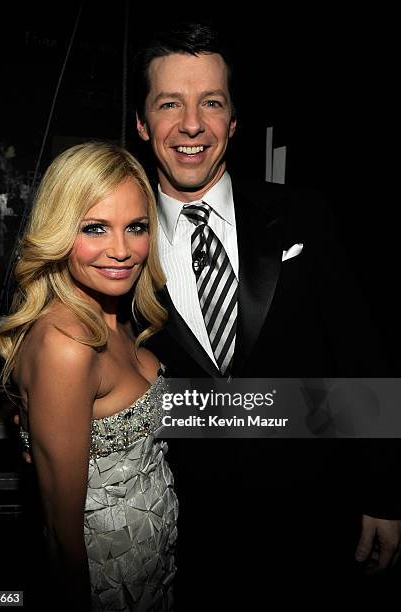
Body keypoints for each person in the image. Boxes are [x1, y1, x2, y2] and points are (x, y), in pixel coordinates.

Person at [132, 21, 401, 606]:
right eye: (169, 104)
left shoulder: (305, 215)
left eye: (211, 103)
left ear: (233, 122)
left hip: (311, 527)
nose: (192, 125)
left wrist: (384, 492)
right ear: (142, 123)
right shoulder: (118, 249)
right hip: (179, 543)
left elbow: (359, 356)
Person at [0, 142, 178, 611]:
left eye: (136, 227)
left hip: (151, 567)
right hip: (105, 585)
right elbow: (61, 539)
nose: (121, 251)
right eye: (94, 228)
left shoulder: (117, 316)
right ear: (59, 232)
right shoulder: (67, 345)